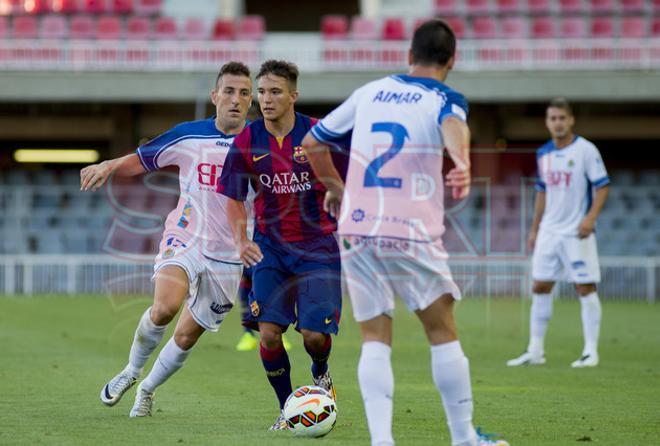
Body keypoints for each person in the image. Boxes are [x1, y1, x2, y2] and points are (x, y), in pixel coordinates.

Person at [302, 19, 509, 446]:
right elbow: (454, 124)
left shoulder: (370, 91)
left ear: (409, 55)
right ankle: (464, 438)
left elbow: (312, 142)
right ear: (452, 59)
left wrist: (337, 189)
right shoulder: (444, 97)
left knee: (375, 336)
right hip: (409, 228)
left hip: (357, 227)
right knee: (441, 328)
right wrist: (462, 159)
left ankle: (382, 441)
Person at [80, 61, 253, 417]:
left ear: (251, 100)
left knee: (187, 336)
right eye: (230, 91)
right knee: (165, 307)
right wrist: (108, 166)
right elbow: (144, 159)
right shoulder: (189, 134)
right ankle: (130, 370)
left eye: (244, 93)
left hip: (229, 255)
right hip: (186, 235)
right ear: (215, 95)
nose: (236, 99)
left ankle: (147, 388)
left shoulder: (261, 144)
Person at [218, 60, 344, 431]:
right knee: (270, 333)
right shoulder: (248, 138)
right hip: (269, 247)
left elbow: (344, 184)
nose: (265, 99)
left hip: (318, 246)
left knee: (313, 336)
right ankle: (288, 409)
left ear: (293, 95)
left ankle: (320, 372)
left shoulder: (319, 135)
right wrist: (241, 239)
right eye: (261, 91)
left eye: (275, 92)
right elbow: (233, 195)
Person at [507, 98, 609, 369]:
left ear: (571, 120)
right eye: (553, 118)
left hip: (577, 232)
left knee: (584, 287)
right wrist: (534, 229)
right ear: (547, 122)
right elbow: (542, 193)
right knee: (540, 286)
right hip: (549, 232)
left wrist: (590, 218)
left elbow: (602, 187)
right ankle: (535, 350)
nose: (558, 123)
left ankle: (590, 351)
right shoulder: (544, 153)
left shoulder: (586, 150)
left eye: (562, 118)